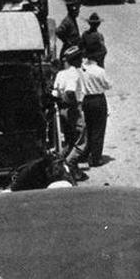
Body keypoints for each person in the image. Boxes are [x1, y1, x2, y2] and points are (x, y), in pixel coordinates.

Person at [52, 47, 87, 182]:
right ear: (74, 60)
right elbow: (70, 92)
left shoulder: (60, 74)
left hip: (61, 111)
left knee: (69, 141)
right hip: (72, 110)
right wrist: (73, 106)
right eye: (79, 58)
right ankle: (68, 163)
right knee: (81, 141)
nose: (81, 60)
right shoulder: (74, 73)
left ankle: (61, 165)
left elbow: (55, 93)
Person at [78, 52, 112, 168]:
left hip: (87, 100)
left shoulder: (82, 70)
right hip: (98, 99)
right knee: (99, 129)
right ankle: (96, 158)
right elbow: (108, 85)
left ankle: (85, 153)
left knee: (89, 128)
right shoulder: (99, 71)